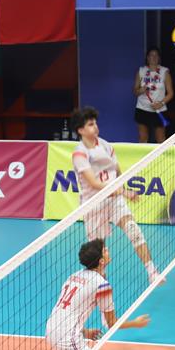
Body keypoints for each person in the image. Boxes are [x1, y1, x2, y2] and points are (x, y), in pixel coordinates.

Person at [70, 106, 161, 283]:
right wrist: (124, 192)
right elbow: (94, 183)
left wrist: (120, 186)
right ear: (80, 130)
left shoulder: (106, 146)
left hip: (114, 201)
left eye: (95, 123)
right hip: (94, 204)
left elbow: (117, 170)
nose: (95, 127)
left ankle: (152, 272)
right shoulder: (79, 153)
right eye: (90, 124)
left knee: (133, 229)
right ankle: (98, 282)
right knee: (99, 251)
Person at [133, 47, 174, 144]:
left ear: (159, 58)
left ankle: (161, 155)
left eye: (156, 55)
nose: (154, 57)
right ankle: (144, 154)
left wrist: (161, 103)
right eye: (151, 55)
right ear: (147, 57)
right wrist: (141, 90)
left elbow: (171, 93)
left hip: (159, 110)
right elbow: (135, 91)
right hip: (142, 108)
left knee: (160, 139)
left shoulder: (164, 72)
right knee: (143, 138)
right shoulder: (141, 71)